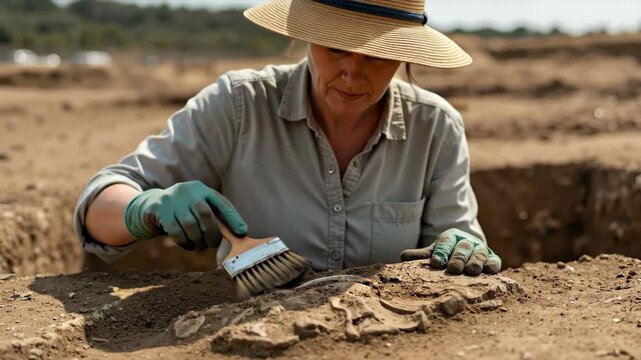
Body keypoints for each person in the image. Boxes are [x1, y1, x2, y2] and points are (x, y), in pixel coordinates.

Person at [74, 0, 502, 276]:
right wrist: (142, 208)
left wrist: (464, 246)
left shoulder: (436, 128)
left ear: (405, 55)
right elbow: (96, 209)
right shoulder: (239, 105)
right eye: (336, 49)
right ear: (307, 39)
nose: (353, 74)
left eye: (376, 56)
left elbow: (457, 243)